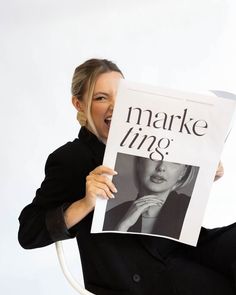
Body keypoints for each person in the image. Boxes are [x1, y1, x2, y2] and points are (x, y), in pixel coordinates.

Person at [18, 58, 236, 295]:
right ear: (79, 104)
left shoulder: (149, 139)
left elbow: (173, 200)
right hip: (138, 272)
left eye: (122, 96)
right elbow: (28, 233)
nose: (115, 106)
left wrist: (203, 176)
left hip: (184, 247)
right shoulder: (72, 158)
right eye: (101, 97)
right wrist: (85, 203)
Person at [103, 156, 198, 239]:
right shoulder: (113, 215)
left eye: (174, 161)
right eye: (154, 156)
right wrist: (122, 227)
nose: (161, 167)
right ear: (139, 162)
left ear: (183, 172)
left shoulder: (193, 211)